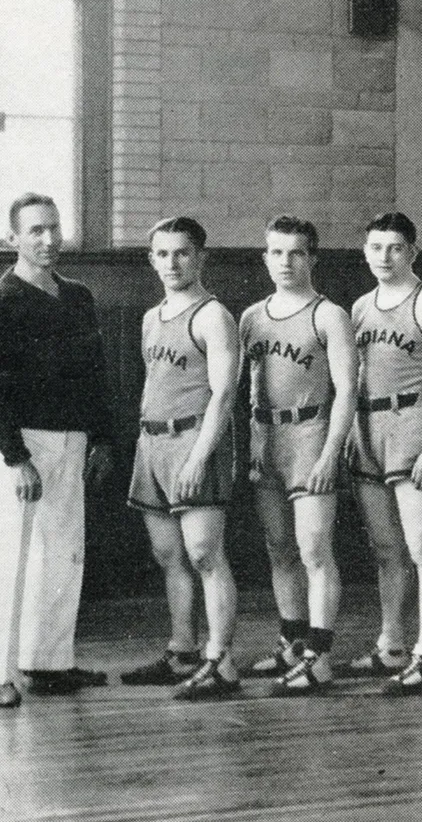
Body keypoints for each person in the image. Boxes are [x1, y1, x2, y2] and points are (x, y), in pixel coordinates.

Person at [0, 194, 114, 708]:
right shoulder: (4, 299)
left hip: (74, 440)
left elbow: (94, 374)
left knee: (64, 555)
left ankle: (47, 663)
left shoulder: (78, 296)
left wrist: (102, 438)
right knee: (13, 559)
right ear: (12, 239)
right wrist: (14, 456)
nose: (48, 240)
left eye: (54, 228)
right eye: (35, 230)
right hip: (24, 441)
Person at [121, 218, 242, 700]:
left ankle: (222, 661)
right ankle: (183, 650)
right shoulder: (153, 317)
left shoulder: (213, 316)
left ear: (201, 257)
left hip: (195, 442)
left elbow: (224, 395)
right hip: (153, 444)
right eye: (163, 254)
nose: (172, 263)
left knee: (205, 555)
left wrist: (198, 458)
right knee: (169, 555)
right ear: (152, 259)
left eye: (182, 253)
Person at [240, 216, 357, 695]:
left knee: (313, 548)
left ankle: (319, 654)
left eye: (296, 253)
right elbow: (250, 386)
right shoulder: (252, 316)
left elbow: (348, 388)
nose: (286, 262)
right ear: (266, 257)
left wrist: (332, 451)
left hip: (311, 432)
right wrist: (252, 440)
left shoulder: (329, 314)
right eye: (277, 253)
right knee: (279, 548)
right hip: (267, 435)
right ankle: (290, 641)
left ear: (313, 257)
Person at [347, 213, 422, 695]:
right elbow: (351, 379)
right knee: (386, 548)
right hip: (369, 427)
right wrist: (354, 431)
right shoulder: (360, 307)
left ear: (412, 252)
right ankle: (391, 643)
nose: (384, 257)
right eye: (376, 247)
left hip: (413, 422)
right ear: (365, 251)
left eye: (395, 247)